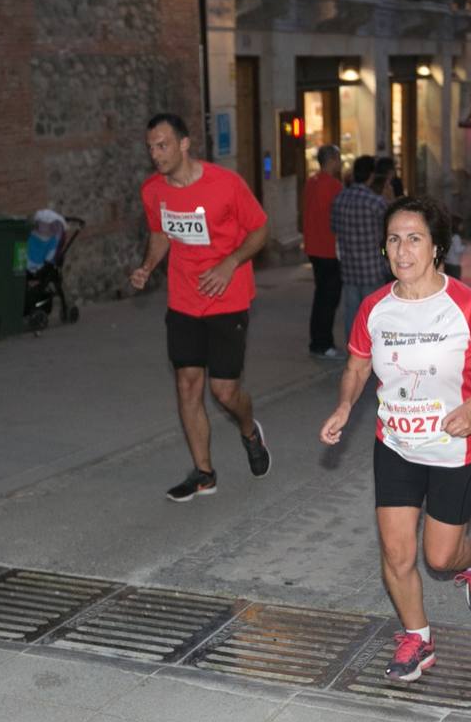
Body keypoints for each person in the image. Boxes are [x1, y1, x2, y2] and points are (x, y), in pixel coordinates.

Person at [319, 197, 471, 682]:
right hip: (395, 444)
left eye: (414, 238)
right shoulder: (375, 309)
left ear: (436, 248)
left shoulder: (466, 306)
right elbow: (357, 364)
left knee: (439, 557)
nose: (402, 249)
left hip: (457, 449)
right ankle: (418, 637)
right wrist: (345, 405)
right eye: (394, 238)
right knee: (396, 554)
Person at [129, 113, 272, 502]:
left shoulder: (225, 184)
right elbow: (160, 233)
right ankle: (204, 473)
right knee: (187, 385)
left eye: (163, 145)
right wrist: (147, 267)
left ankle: (249, 431)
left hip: (228, 297)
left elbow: (260, 229)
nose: (156, 154)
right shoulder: (154, 191)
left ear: (184, 144)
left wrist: (230, 263)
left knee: (225, 392)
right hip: (184, 299)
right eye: (151, 148)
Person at [332, 155, 391, 340]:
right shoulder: (376, 203)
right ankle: (371, 352)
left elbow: (333, 228)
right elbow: (388, 232)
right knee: (373, 314)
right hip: (372, 268)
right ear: (371, 175)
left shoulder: (339, 199)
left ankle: (354, 351)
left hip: (349, 267)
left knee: (352, 311)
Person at [303, 145, 345, 359]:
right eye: (338, 159)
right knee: (329, 298)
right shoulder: (334, 186)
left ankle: (317, 340)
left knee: (321, 296)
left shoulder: (312, 182)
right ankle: (323, 343)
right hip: (328, 249)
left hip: (313, 247)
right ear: (332, 160)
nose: (341, 163)